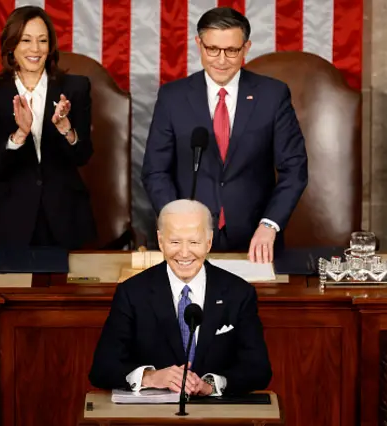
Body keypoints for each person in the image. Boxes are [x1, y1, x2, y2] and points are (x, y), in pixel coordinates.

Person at [141, 7, 308, 264]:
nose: (221, 60)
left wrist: (270, 225)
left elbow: (294, 168)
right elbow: (155, 171)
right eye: (212, 49)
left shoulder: (272, 95)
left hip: (256, 239)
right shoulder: (172, 97)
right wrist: (178, 223)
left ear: (246, 47)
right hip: (188, 240)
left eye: (232, 50)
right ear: (199, 44)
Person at [89, 199, 271, 396]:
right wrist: (151, 377)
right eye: (175, 242)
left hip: (216, 412)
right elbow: (102, 369)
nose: (184, 253)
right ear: (160, 241)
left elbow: (258, 370)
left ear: (209, 242)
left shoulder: (239, 293)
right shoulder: (132, 293)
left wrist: (210, 385)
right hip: (153, 417)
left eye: (194, 242)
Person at [0, 6, 95, 250]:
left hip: (64, 217)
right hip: (4, 220)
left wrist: (66, 129)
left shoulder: (76, 88)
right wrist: (19, 135)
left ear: (51, 46)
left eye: (42, 41)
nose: (35, 49)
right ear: (11, 46)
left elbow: (83, 155)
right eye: (26, 40)